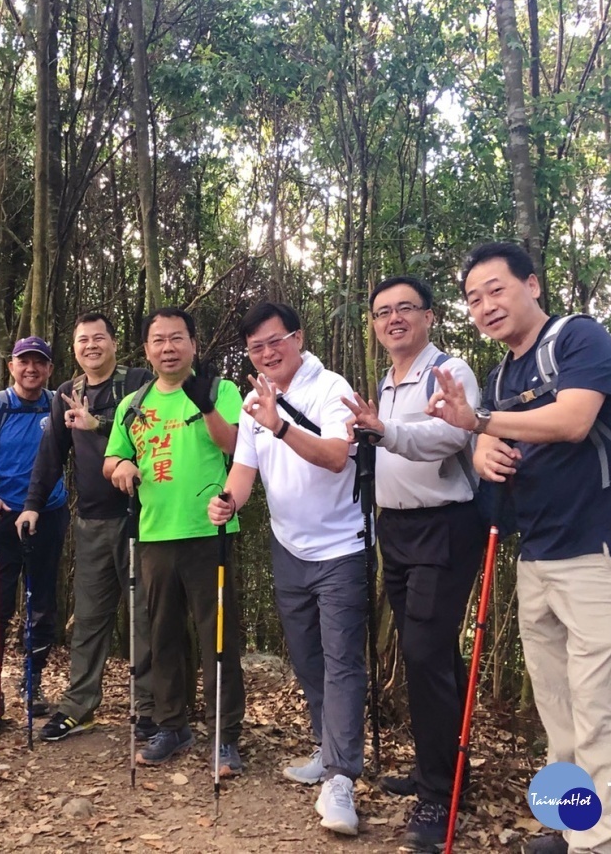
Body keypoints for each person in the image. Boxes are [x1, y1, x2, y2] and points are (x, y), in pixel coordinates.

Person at [425, 242, 611, 854]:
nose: (485, 306)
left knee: (606, 714)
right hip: (539, 555)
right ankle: (573, 824)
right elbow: (496, 443)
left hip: (604, 554)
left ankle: (608, 843)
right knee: (560, 713)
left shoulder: (580, 339)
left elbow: (573, 420)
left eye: (496, 290)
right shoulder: (502, 375)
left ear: (532, 285)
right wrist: (478, 447)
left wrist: (478, 424)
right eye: (473, 299)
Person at [207, 302, 366, 836]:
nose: (268, 352)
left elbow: (336, 456)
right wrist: (228, 500)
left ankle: (342, 779)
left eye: (276, 341)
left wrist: (279, 426)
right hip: (288, 547)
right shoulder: (254, 401)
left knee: (342, 660)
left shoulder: (332, 388)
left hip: (342, 547)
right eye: (256, 347)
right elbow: (244, 471)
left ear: (297, 338)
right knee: (308, 658)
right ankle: (327, 748)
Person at [343, 276, 487, 851]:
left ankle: (438, 795)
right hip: (396, 530)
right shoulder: (387, 380)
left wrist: (385, 429)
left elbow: (449, 437)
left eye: (406, 309)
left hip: (444, 526)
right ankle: (448, 771)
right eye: (382, 312)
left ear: (429, 317)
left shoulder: (449, 372)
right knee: (428, 650)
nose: (393, 319)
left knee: (425, 653)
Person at [103, 306, 246, 773]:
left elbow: (234, 446)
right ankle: (172, 724)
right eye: (159, 340)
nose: (169, 347)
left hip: (211, 531)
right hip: (155, 533)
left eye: (178, 338)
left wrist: (204, 404)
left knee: (218, 637)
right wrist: (120, 466)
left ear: (193, 344)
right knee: (161, 634)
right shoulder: (134, 403)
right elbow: (112, 460)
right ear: (146, 349)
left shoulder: (221, 390)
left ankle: (224, 734)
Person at [18, 314, 156, 742]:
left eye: (99, 338)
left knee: (145, 616)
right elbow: (51, 454)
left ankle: (151, 708)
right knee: (91, 618)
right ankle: (80, 706)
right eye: (82, 340)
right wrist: (32, 506)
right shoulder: (65, 394)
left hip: (143, 519)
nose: (91, 345)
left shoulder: (140, 382)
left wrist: (98, 424)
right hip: (92, 521)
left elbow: (150, 431)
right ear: (74, 349)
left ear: (114, 342)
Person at [0, 335, 69, 736]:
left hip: (48, 514)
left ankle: (33, 678)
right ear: (11, 366)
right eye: (24, 362)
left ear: (49, 369)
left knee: (42, 602)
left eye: (39, 362)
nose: (32, 369)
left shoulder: (58, 404)